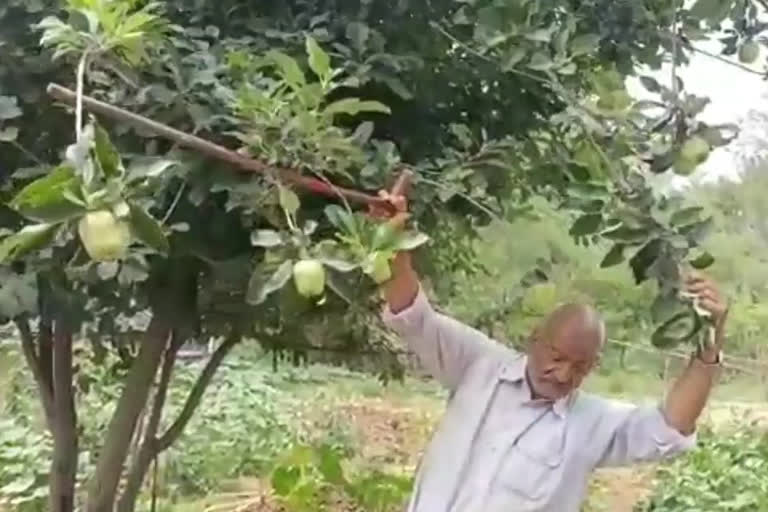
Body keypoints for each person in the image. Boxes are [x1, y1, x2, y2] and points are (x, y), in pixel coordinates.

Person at [372, 190, 729, 512]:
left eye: (579, 367)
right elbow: (413, 315)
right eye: (557, 358)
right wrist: (392, 237)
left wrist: (710, 337)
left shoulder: (592, 423)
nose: (563, 375)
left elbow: (670, 428)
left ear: (594, 366)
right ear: (533, 340)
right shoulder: (478, 365)